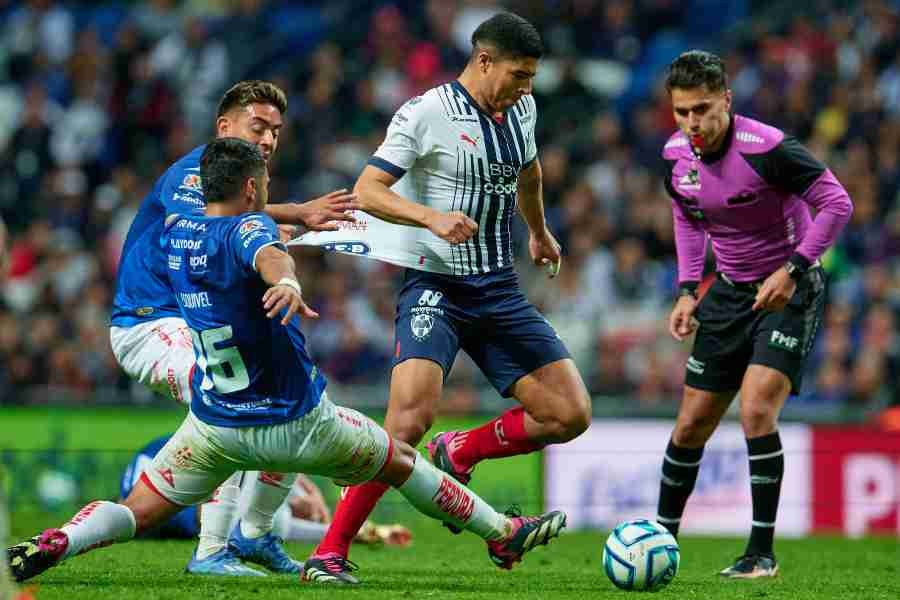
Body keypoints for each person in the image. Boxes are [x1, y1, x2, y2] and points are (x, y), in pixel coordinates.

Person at [6, 138, 566, 585]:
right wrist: (288, 279)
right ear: (252, 187)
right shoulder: (252, 226)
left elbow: (241, 247)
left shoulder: (176, 236)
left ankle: (61, 541)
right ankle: (501, 531)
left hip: (215, 428)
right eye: (266, 184)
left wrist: (285, 243)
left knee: (136, 511)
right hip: (295, 424)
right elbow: (264, 250)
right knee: (401, 461)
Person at [296, 12, 591, 585]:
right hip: (437, 285)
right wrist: (429, 217)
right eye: (519, 74)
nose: (526, 87)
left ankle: (461, 451)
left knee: (570, 413)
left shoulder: (522, 109)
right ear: (484, 61)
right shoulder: (427, 113)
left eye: (531, 77)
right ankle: (330, 551)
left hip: (498, 287)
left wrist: (538, 230)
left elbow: (527, 174)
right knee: (406, 422)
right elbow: (368, 190)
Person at [107, 80, 359, 576]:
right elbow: (212, 223)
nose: (267, 140)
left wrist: (284, 224)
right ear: (224, 127)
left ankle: (255, 533)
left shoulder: (243, 196)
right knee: (234, 394)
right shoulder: (192, 174)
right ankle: (210, 551)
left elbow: (236, 229)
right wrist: (294, 215)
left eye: (275, 131)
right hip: (148, 324)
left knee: (278, 385)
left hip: (190, 324)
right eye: (257, 126)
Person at [655, 50, 853, 578]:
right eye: (682, 112)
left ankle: (760, 554)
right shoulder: (676, 157)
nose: (693, 123)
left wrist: (792, 269)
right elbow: (689, 221)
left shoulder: (769, 149)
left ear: (726, 99)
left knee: (756, 408)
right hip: (727, 293)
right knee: (691, 423)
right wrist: (686, 290)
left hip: (790, 290)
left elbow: (837, 203)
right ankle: (659, 544)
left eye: (702, 109)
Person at [118, 435, 412, 546]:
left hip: (201, 459)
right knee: (260, 523)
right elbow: (230, 525)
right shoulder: (173, 511)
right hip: (179, 487)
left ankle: (340, 529)